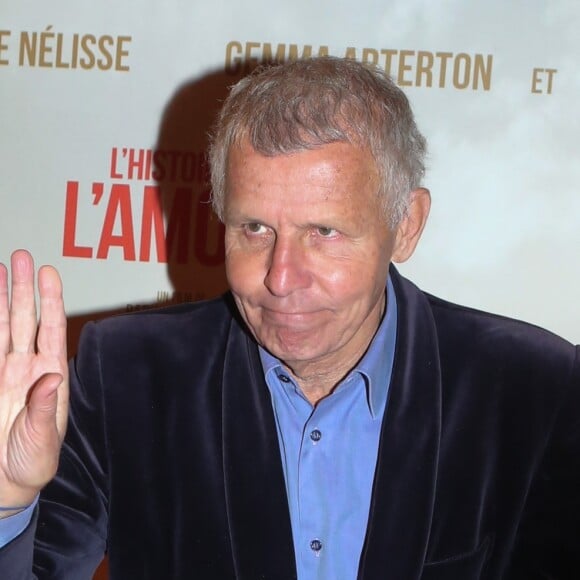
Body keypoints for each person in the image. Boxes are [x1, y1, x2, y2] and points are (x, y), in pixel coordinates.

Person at [0, 57, 578, 580]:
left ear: (406, 225)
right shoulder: (126, 374)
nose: (281, 278)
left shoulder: (536, 391)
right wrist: (7, 501)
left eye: (323, 233)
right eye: (255, 229)